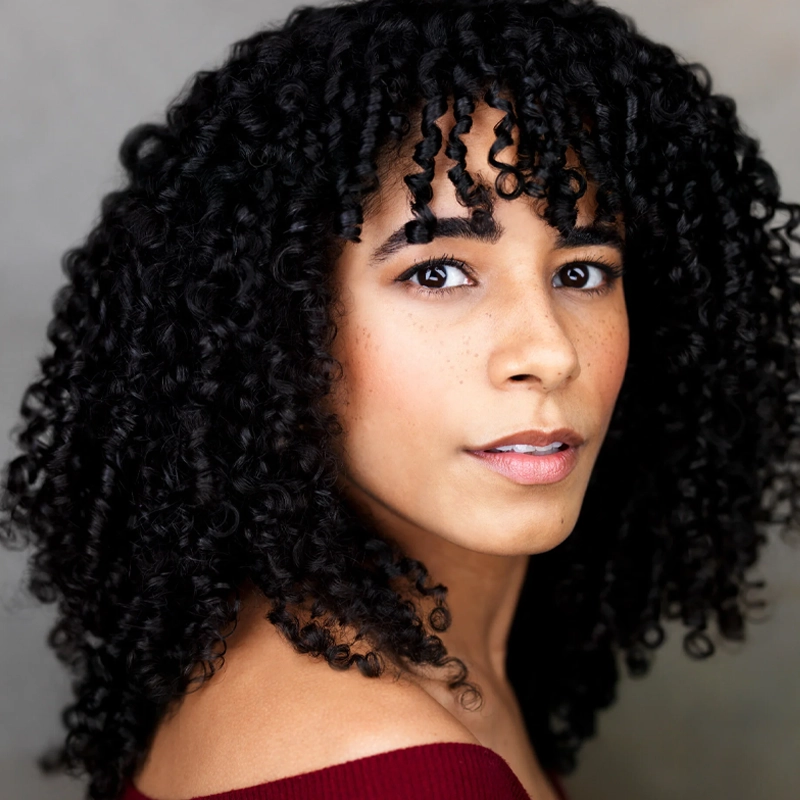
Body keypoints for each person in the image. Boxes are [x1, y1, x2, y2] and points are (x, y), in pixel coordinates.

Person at [1, 0, 798, 798]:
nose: (550, 352)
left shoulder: (389, 677)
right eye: (437, 272)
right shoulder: (398, 769)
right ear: (276, 326)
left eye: (582, 271)